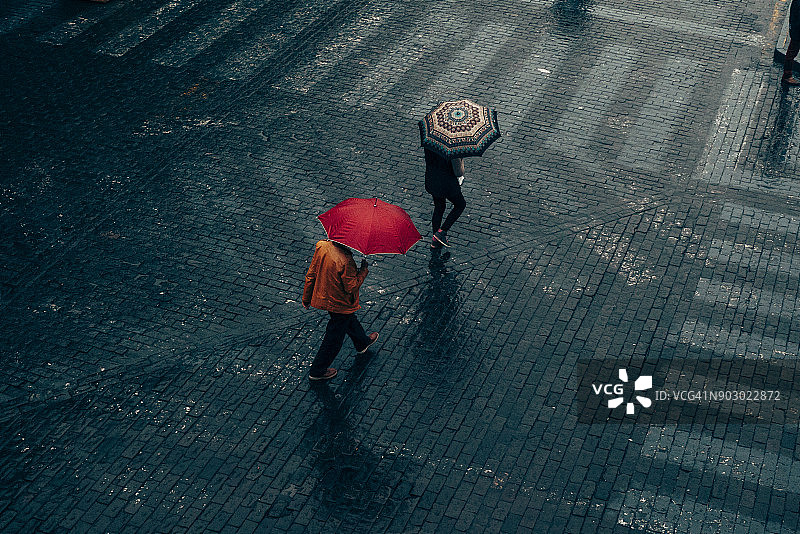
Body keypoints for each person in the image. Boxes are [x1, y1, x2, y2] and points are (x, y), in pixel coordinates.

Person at [302, 240, 379, 380]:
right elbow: (351, 286)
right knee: (334, 338)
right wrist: (363, 271)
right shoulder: (346, 260)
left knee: (349, 319)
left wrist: (306, 298)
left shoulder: (322, 246)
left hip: (326, 296)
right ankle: (317, 370)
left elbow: (311, 274)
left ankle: (362, 342)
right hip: (340, 303)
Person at [424, 148, 466, 248]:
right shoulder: (452, 148)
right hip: (447, 183)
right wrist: (460, 157)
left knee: (439, 207)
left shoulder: (430, 142)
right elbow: (458, 172)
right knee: (460, 205)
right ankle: (441, 233)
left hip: (432, 178)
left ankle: (435, 240)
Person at [784, 0, 800, 86]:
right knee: (792, 52)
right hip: (797, 31)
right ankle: (787, 75)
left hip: (796, 30)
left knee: (792, 52)